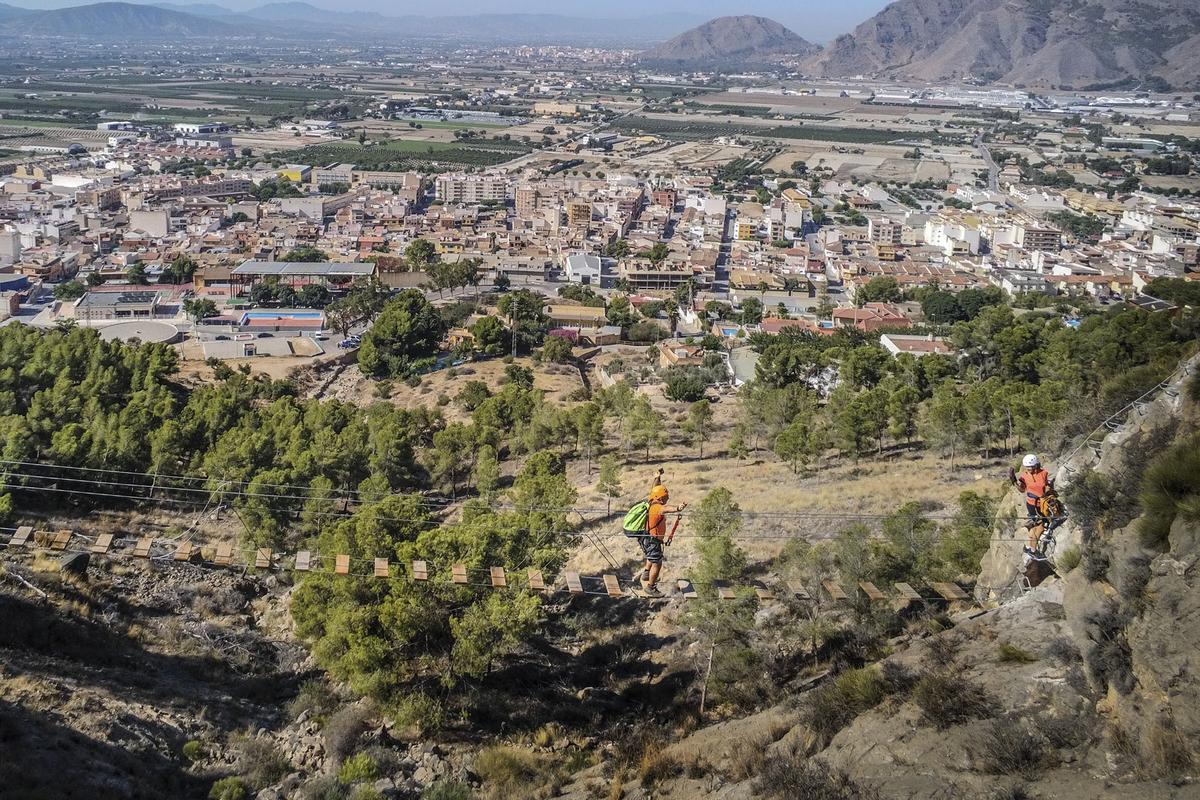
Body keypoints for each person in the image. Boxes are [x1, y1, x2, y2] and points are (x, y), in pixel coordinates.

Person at [638, 479, 686, 597]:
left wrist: (657, 478)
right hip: (652, 540)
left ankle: (646, 573)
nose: (667, 499)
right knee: (657, 563)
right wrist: (678, 508)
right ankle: (651, 587)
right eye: (665, 497)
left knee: (652, 556)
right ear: (660, 498)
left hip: (647, 538)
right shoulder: (658, 507)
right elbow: (666, 508)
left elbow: (655, 489)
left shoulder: (651, 502)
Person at [1010, 454, 1053, 521]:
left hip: (1042, 503)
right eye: (1027, 467)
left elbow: (1047, 485)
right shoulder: (1024, 476)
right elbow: (1022, 490)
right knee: (1035, 520)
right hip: (1031, 504)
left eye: (1031, 466)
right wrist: (1014, 482)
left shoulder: (1043, 473)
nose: (1029, 468)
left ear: (1035, 465)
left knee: (1045, 520)